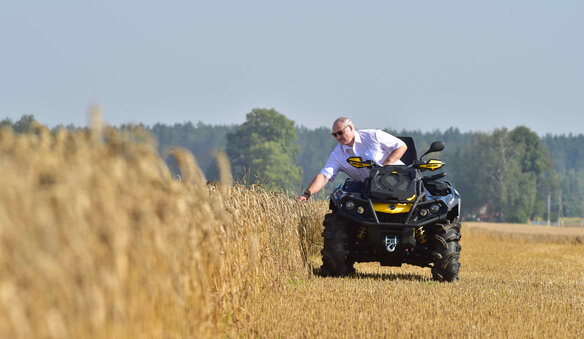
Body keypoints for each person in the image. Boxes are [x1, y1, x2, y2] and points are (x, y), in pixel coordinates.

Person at [299, 117, 407, 201]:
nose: (338, 137)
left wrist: (385, 167)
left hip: (399, 182)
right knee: (340, 199)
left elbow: (401, 146)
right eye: (334, 135)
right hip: (369, 189)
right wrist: (307, 194)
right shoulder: (337, 155)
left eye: (340, 133)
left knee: (422, 196)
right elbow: (324, 176)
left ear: (350, 127)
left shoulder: (373, 136)